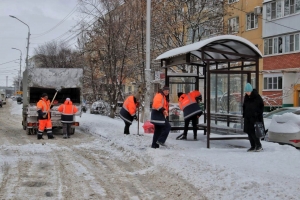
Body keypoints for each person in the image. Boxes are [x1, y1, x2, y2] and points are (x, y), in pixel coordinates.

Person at [243, 83, 264, 152]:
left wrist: (257, 114)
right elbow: (245, 106)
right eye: (246, 91)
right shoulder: (246, 97)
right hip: (247, 118)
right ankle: (253, 146)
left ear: (251, 91)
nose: (247, 93)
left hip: (255, 118)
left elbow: (261, 107)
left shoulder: (256, 97)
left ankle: (258, 145)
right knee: (249, 132)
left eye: (248, 91)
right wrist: (244, 114)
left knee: (253, 132)